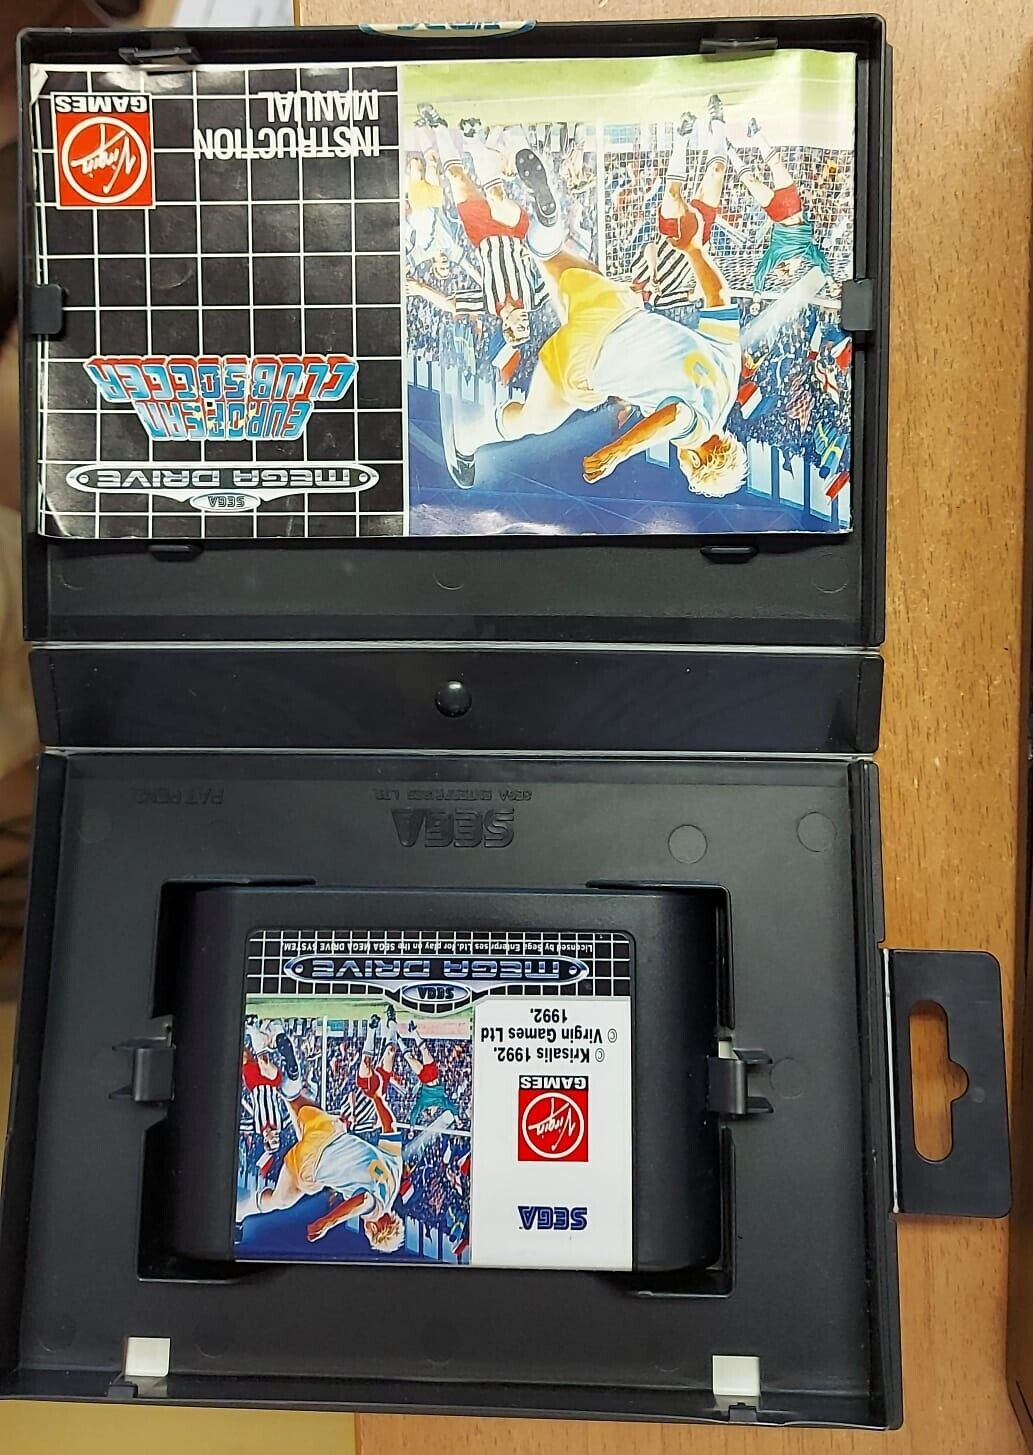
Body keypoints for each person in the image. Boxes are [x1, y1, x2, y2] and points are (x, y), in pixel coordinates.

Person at [446, 162, 746, 498]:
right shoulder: (697, 432)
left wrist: (694, 249)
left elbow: (719, 296)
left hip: (615, 306)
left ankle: (544, 222)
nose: (683, 464)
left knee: (549, 256)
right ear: (701, 460)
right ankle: (466, 440)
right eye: (689, 470)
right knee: (537, 421)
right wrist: (617, 452)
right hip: (588, 360)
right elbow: (675, 416)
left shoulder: (729, 368)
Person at [254, 1020, 405, 1253]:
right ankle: (246, 1208)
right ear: (376, 1229)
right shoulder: (376, 1210)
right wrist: (327, 1222)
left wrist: (376, 1097)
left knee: (292, 1097)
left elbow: (390, 1127)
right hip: (313, 1162)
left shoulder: (395, 1172)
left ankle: (276, 1043)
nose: (365, 1231)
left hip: (329, 1129)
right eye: (369, 1236)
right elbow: (363, 1201)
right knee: (280, 1201)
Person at [631, 97, 729, 309]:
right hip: (698, 240)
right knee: (717, 172)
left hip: (671, 234)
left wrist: (653, 274)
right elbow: (694, 295)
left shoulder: (635, 274)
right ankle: (718, 123)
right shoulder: (662, 302)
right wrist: (700, 265)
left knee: (672, 193)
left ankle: (682, 135)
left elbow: (650, 247)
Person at [726, 115, 831, 291]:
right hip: (793, 205)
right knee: (776, 164)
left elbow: (761, 271)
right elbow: (822, 261)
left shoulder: (775, 254)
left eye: (784, 270)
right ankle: (756, 134)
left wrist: (757, 293)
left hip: (777, 213)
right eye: (789, 272)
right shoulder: (807, 251)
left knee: (750, 181)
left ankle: (728, 149)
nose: (787, 269)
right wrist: (830, 279)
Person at [401, 1019, 462, 1126]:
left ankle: (397, 1039)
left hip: (424, 1078)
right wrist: (457, 1120)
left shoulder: (424, 1103)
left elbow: (415, 1112)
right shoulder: (441, 1102)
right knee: (424, 1050)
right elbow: (452, 1107)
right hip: (433, 1074)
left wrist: (411, 1128)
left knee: (409, 1058)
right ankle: (413, 1030)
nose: (431, 1111)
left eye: (429, 1112)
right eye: (431, 1113)